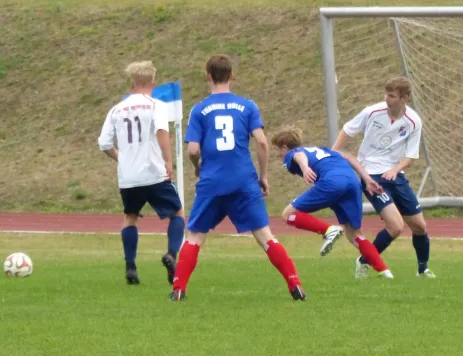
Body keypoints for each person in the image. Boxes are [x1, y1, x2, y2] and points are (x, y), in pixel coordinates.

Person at [170, 54, 306, 302]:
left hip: (212, 181)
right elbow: (263, 142)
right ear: (232, 76)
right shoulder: (248, 106)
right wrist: (263, 176)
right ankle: (295, 285)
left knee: (195, 237)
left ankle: (178, 289)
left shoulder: (199, 109)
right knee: (265, 236)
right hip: (244, 181)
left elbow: (192, 150)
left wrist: (198, 167)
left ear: (208, 76)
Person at [332, 76, 435, 279]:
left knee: (420, 227)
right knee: (396, 227)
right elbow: (348, 129)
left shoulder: (414, 121)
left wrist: (396, 169)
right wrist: (333, 153)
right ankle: (365, 261)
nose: (387, 99)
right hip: (371, 175)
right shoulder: (372, 112)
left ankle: (422, 270)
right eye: (386, 94)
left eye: (392, 96)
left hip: (396, 175)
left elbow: (411, 155)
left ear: (405, 98)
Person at [98, 61, 185, 285]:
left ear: (132, 83)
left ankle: (130, 267)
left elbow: (104, 143)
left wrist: (121, 158)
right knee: (177, 213)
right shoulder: (156, 105)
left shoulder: (116, 109)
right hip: (153, 172)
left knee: (130, 217)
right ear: (153, 83)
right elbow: (161, 131)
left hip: (128, 177)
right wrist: (168, 161)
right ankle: (171, 255)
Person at [271, 126, 394, 279]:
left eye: (277, 150)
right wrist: (367, 179)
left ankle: (328, 230)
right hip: (352, 183)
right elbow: (349, 157)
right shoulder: (323, 150)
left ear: (284, 147)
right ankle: (384, 271)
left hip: (333, 182)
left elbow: (298, 155)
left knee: (288, 214)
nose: (278, 155)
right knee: (354, 234)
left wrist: (304, 167)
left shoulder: (293, 153)